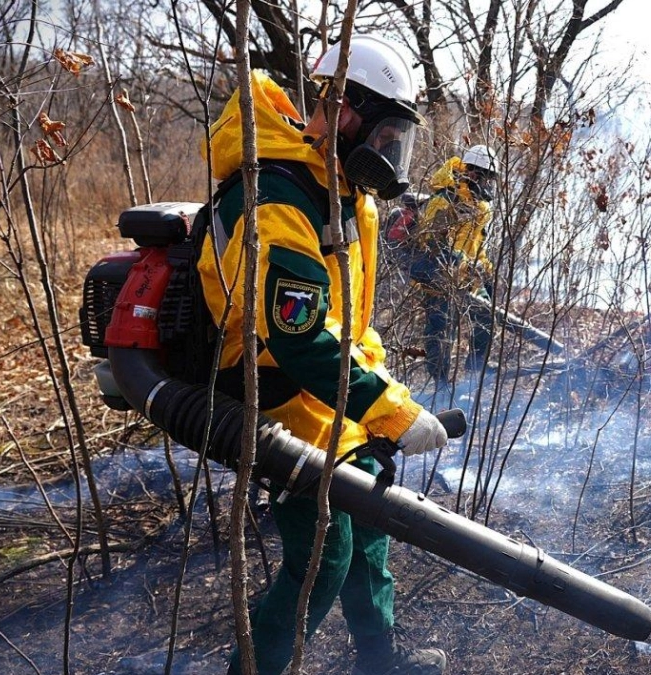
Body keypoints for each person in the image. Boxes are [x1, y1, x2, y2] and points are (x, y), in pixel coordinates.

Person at [196, 34, 449, 675]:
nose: (391, 156)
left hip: (318, 388)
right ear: (341, 110)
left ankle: (381, 665)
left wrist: (386, 401)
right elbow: (297, 335)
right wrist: (388, 414)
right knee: (324, 553)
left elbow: (347, 326)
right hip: (270, 389)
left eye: (400, 142)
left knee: (368, 533)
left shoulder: (339, 192)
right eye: (385, 136)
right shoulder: (279, 197)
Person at [407, 144, 498, 388]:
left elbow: (477, 247)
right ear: (472, 173)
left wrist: (486, 270)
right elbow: (431, 244)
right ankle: (440, 384)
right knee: (440, 330)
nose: (488, 186)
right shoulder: (444, 201)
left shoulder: (480, 208)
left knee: (486, 317)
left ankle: (475, 368)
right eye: (486, 178)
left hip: (467, 278)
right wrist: (462, 265)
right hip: (438, 277)